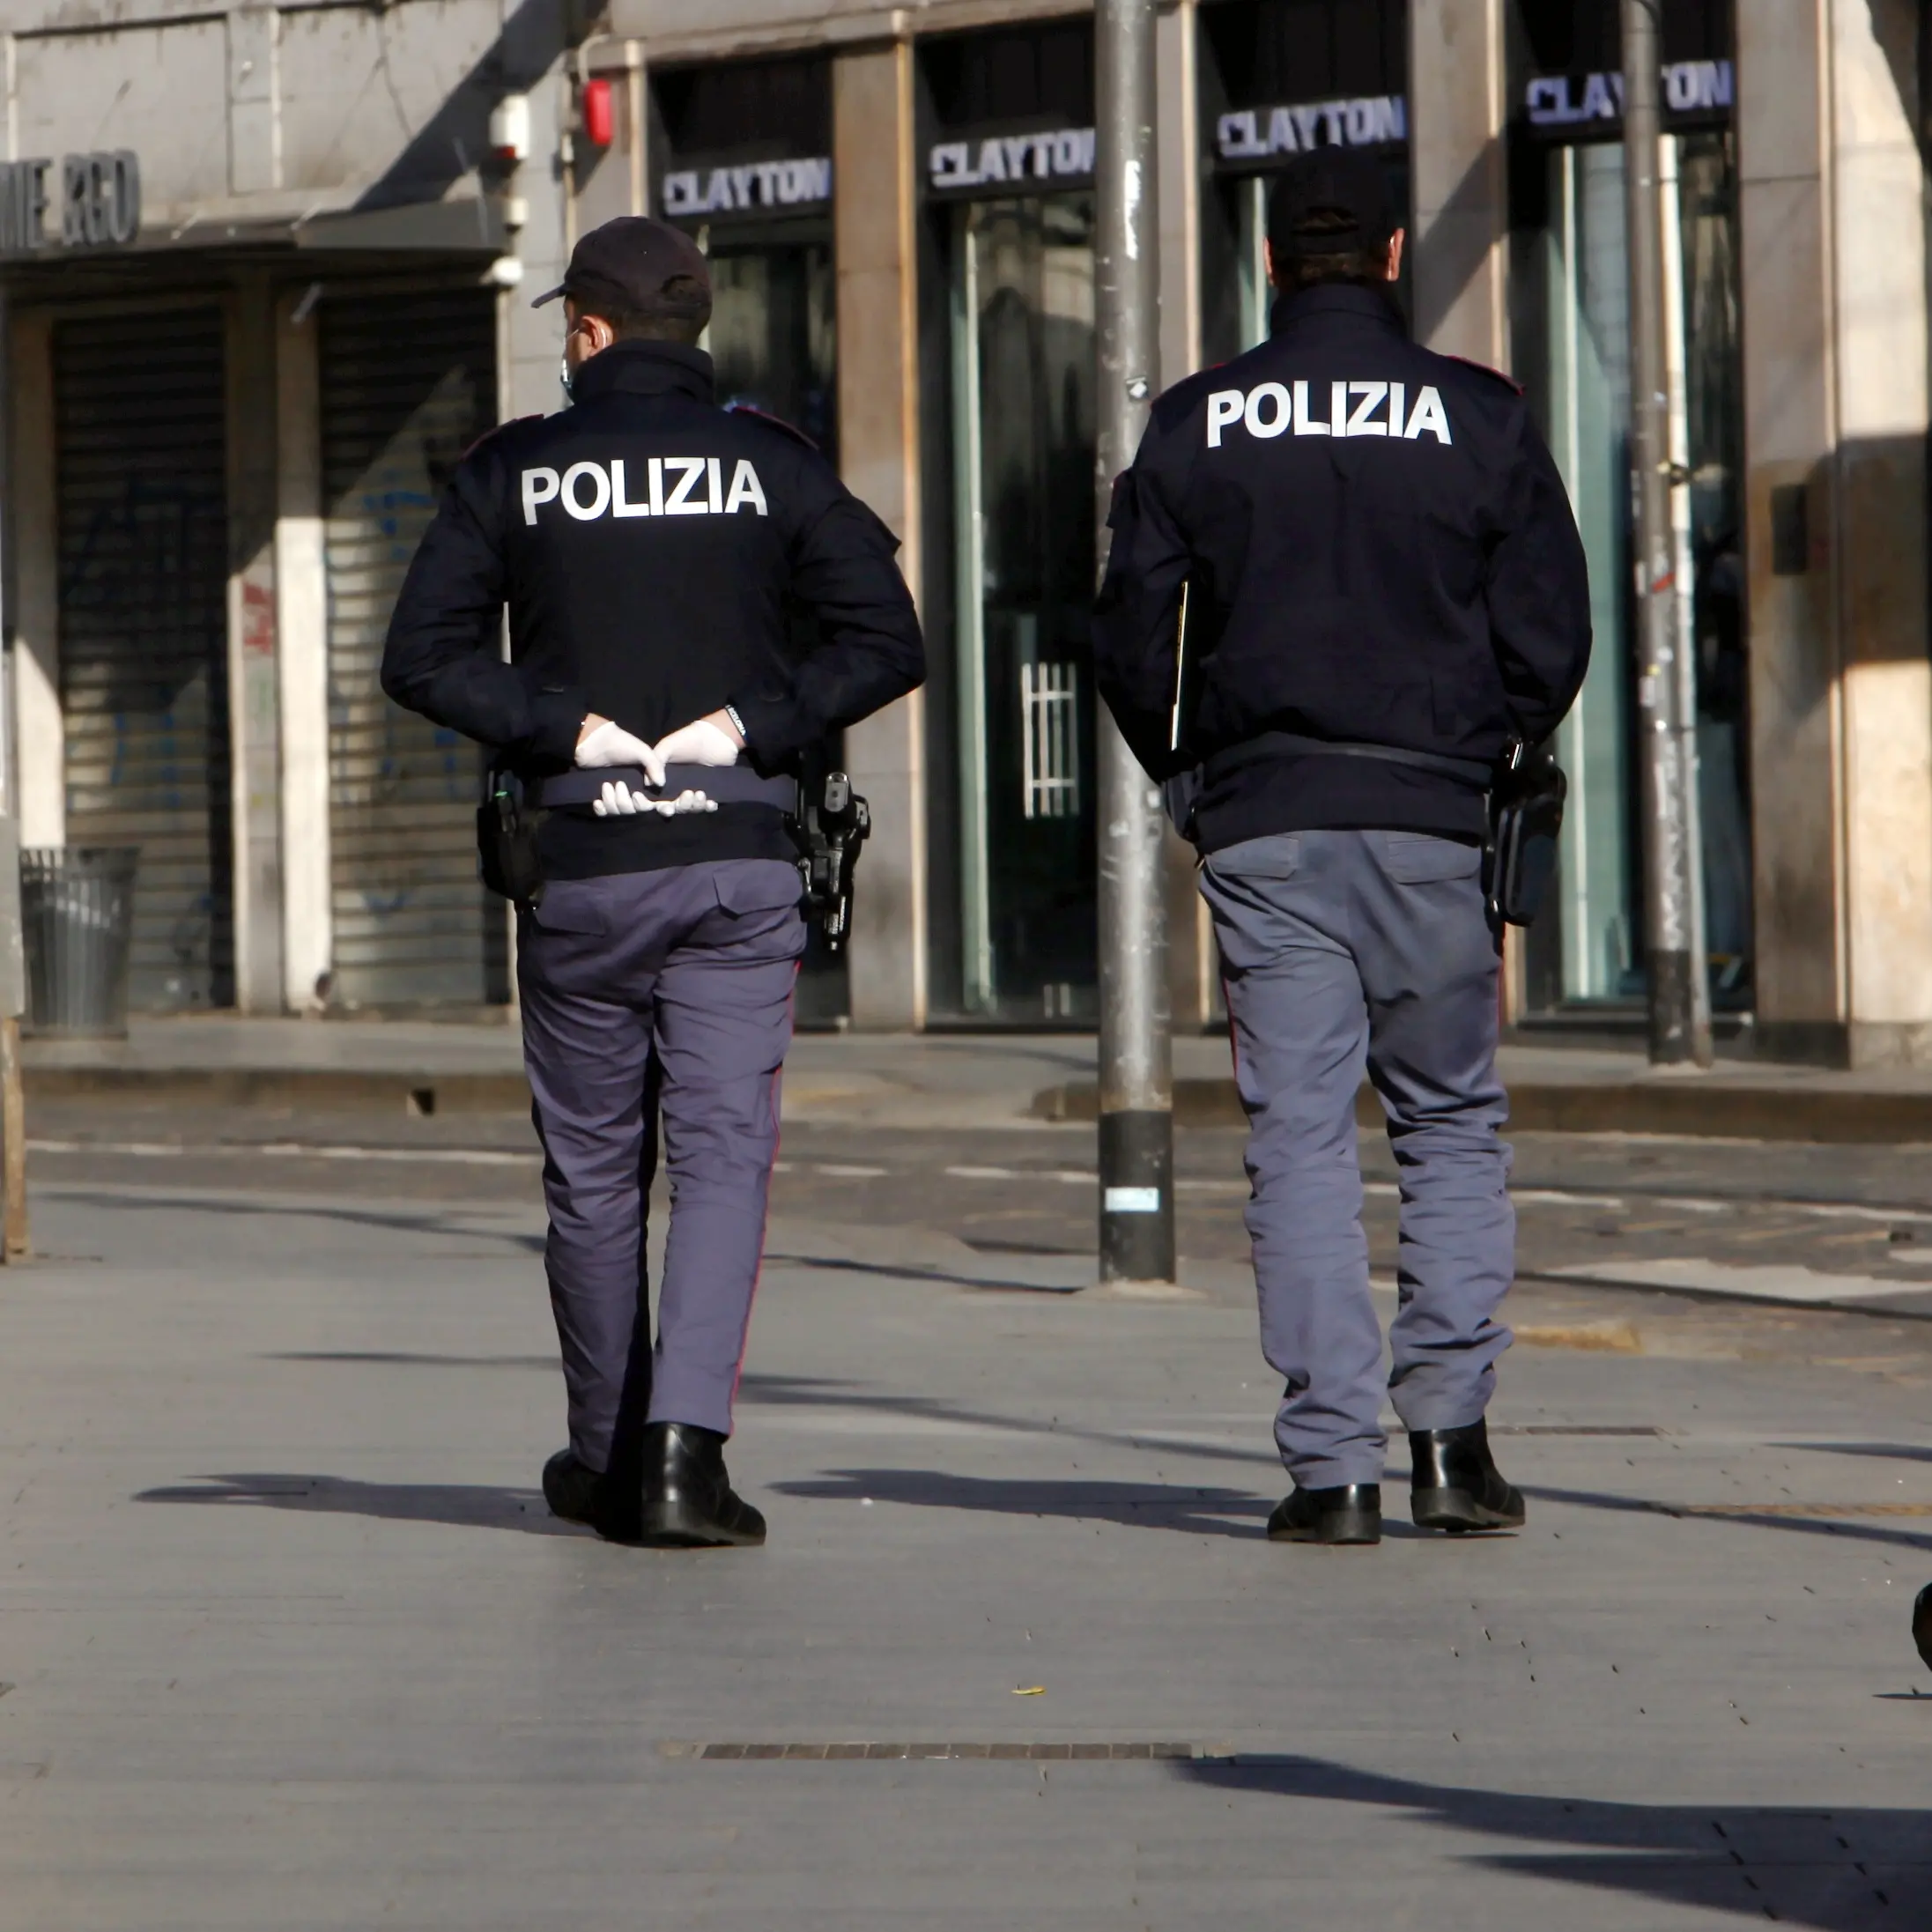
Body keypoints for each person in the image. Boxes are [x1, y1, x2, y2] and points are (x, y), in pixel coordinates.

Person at [381, 218, 924, 1547]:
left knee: (593, 1173)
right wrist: (751, 725)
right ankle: (689, 1454)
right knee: (726, 1161)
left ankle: (608, 1455)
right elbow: (886, 638)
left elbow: (421, 656)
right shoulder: (773, 467)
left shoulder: (513, 471)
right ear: (695, 331)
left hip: (580, 864)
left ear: (587, 333)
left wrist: (559, 723)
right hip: (738, 864)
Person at [1093, 149, 1590, 1547]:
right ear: (1389, 257)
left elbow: (1130, 633)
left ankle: (1334, 1473)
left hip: (1267, 820)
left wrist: (1186, 777)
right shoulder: (1477, 416)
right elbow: (1551, 631)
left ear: (1266, 264)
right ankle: (1451, 1446)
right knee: (1446, 1120)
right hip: (1435, 820)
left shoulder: (1198, 423)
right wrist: (1490, 746)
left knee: (1298, 1140)